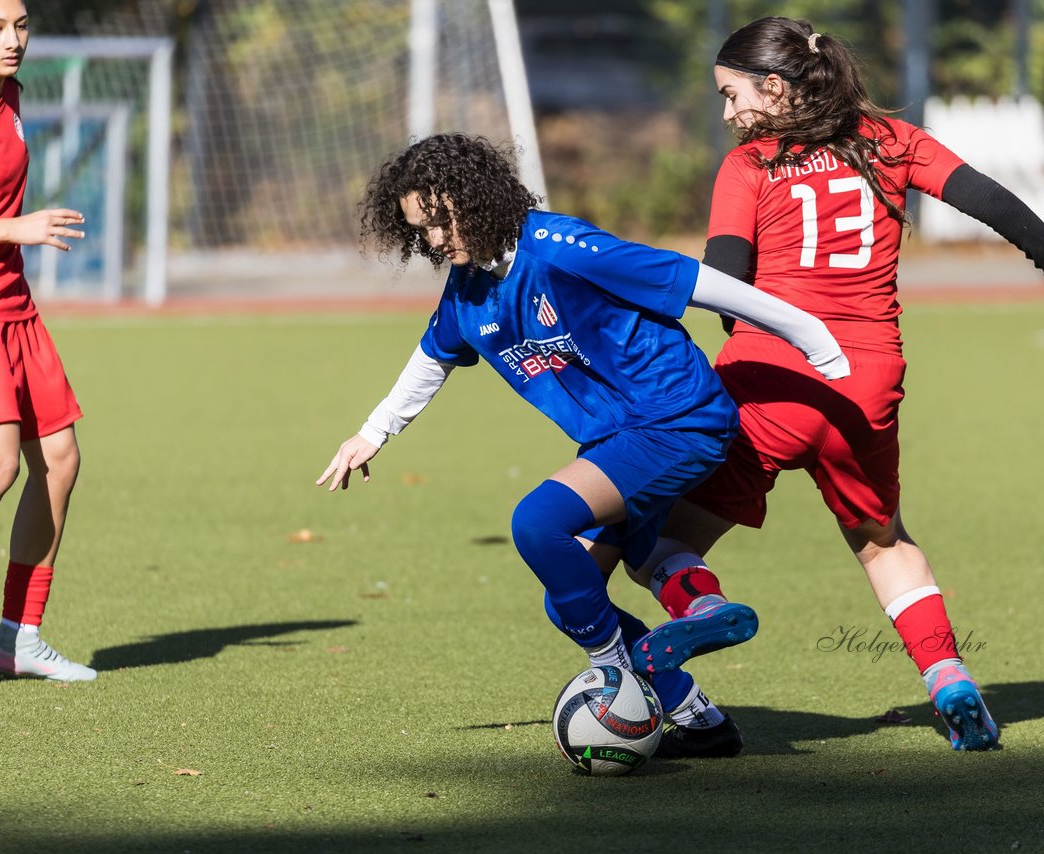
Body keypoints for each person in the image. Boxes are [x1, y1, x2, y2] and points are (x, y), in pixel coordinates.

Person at [626, 17, 1044, 752]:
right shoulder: (893, 140)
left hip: (768, 380)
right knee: (883, 541)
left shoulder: (750, 165)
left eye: (731, 95)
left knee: (653, 545)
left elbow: (723, 284)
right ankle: (949, 682)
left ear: (775, 88)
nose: (728, 114)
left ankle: (701, 609)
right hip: (867, 382)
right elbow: (993, 201)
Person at [316, 132, 849, 757]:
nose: (434, 240)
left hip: (677, 417)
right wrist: (373, 431)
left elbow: (693, 281)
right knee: (573, 597)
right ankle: (702, 705)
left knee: (539, 523)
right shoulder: (466, 291)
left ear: (476, 196)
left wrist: (808, 333)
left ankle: (614, 669)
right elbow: (431, 358)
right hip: (621, 442)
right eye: (421, 229)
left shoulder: (562, 246)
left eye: (441, 220)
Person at [0, 0, 97, 691]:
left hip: (14, 304)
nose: (13, 40)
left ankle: (17, 640)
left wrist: (16, 234)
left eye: (21, 25)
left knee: (60, 460)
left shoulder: (13, 97)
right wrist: (16, 228)